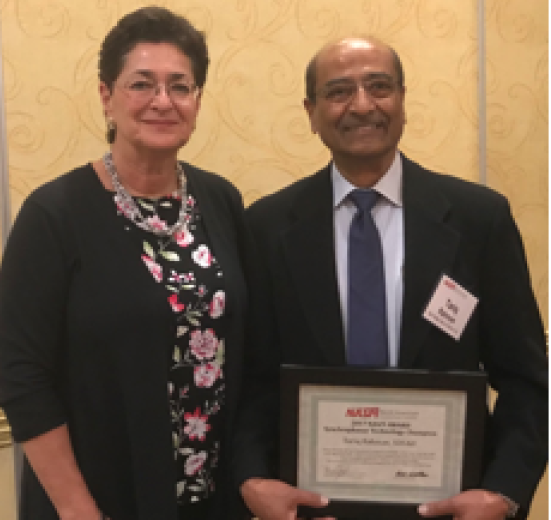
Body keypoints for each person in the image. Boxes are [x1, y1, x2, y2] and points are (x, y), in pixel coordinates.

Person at [232, 37, 548, 519]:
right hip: (310, 508)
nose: (362, 105)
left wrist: (503, 493)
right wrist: (253, 480)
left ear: (402, 101)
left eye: (379, 86)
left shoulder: (478, 220)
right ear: (311, 112)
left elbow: (527, 379)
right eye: (338, 92)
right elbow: (251, 381)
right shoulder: (266, 228)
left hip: (452, 508)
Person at [0, 6, 252, 520]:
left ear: (197, 100)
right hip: (101, 496)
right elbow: (20, 373)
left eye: (180, 86)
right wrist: (75, 507)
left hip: (213, 494)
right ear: (106, 96)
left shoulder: (220, 200)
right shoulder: (55, 213)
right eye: (142, 84)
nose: (162, 101)